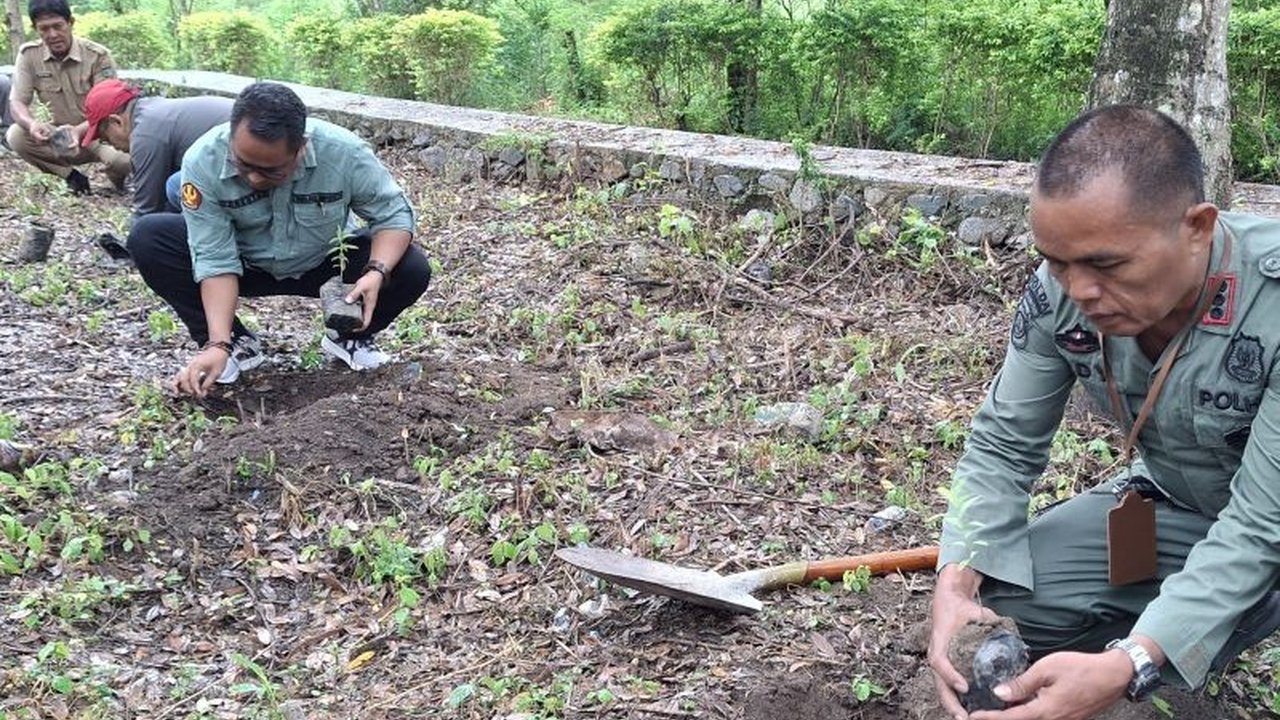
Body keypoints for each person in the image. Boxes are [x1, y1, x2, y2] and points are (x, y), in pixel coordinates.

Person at [929, 105, 1280, 720]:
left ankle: (1200, 628)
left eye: (1106, 265)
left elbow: (1260, 525)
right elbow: (1003, 445)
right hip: (1184, 505)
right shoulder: (1061, 290)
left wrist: (1132, 664)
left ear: (1197, 227)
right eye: (1059, 261)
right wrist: (955, 584)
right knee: (1005, 606)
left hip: (1266, 520)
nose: (1079, 291)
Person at [129, 81, 430, 397]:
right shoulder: (203, 161)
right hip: (245, 266)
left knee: (411, 266)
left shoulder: (343, 153)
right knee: (149, 238)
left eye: (272, 171)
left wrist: (376, 271)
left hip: (325, 263)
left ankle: (349, 337)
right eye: (244, 165)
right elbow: (214, 258)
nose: (255, 178)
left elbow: (393, 214)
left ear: (301, 147)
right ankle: (235, 345)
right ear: (231, 138)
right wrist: (218, 341)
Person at [6, 0, 130, 194]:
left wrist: (78, 131)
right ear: (35, 29)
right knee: (16, 135)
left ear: (70, 22)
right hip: (58, 136)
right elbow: (17, 102)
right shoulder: (29, 55)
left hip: (99, 133)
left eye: (58, 26)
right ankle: (71, 177)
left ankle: (116, 179)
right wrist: (32, 125)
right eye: (44, 29)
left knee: (124, 160)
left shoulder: (97, 56)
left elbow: (109, 107)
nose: (52, 34)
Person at [81, 78, 233, 220]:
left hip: (242, 161)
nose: (112, 145)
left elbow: (147, 210)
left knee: (177, 188)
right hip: (236, 151)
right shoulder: (150, 110)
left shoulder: (145, 135)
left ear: (116, 122)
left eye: (105, 138)